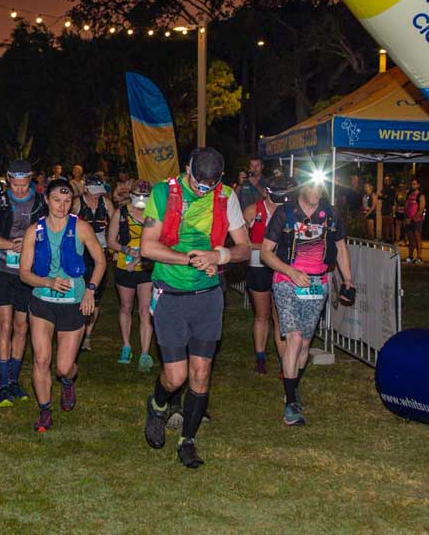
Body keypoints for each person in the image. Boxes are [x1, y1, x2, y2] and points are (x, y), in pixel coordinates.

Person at [141, 147, 251, 468]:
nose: (204, 189)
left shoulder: (225, 196)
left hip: (207, 296)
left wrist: (220, 256)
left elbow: (244, 247)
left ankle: (187, 440)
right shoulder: (164, 193)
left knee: (201, 375)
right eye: (199, 183)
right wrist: (190, 258)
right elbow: (147, 247)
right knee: (176, 377)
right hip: (171, 294)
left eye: (210, 185)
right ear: (187, 167)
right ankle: (158, 405)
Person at [260, 172, 355, 427]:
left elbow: (342, 247)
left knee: (304, 344)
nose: (316, 192)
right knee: (293, 338)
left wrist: (348, 281)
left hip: (317, 283)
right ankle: (290, 403)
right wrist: (290, 271)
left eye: (320, 187)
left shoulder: (331, 213)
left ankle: (293, 387)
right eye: (311, 186)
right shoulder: (285, 213)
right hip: (287, 281)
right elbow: (266, 253)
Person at [19, 179, 106, 432]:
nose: (62, 205)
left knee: (63, 367)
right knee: (41, 359)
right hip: (42, 302)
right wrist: (48, 281)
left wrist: (91, 290)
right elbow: (24, 273)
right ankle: (45, 410)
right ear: (46, 200)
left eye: (67, 201)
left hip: (73, 303)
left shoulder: (81, 228)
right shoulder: (34, 231)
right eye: (57, 200)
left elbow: (100, 262)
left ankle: (68, 382)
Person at [0, 159, 47, 407]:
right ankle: (2, 385)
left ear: (30, 179)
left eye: (24, 184)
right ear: (9, 179)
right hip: (3, 269)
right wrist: (11, 244)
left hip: (27, 272)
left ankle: (14, 380)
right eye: (15, 185)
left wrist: (32, 246)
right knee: (6, 325)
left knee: (22, 327)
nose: (20, 190)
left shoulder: (40, 201)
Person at [106, 180, 156, 372]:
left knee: (145, 309)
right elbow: (111, 241)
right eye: (138, 196)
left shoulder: (153, 213)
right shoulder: (121, 213)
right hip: (124, 266)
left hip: (146, 267)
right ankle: (126, 345)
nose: (141, 201)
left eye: (145, 197)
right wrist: (126, 249)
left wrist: (144, 251)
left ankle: (144, 352)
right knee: (126, 307)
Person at [244, 175, 287, 375]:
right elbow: (241, 243)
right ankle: (260, 357)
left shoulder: (288, 210)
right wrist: (264, 248)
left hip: (280, 267)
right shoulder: (253, 209)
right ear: (267, 192)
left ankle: (284, 361)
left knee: (280, 317)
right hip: (258, 266)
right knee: (262, 315)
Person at [74, 173, 113, 352]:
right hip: (80, 252)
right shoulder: (77, 203)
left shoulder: (106, 204)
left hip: (100, 251)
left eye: (100, 191)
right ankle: (76, 330)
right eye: (94, 191)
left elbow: (115, 224)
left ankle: (87, 335)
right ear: (86, 189)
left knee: (95, 295)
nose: (98, 195)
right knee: (79, 291)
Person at [404, 178, 426, 264]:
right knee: (410, 238)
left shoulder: (421, 195)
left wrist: (413, 218)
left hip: (417, 220)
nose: (413, 185)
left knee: (417, 237)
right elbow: (406, 207)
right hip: (408, 219)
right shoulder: (409, 194)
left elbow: (421, 209)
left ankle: (419, 257)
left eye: (414, 184)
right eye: (412, 184)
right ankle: (410, 256)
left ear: (418, 185)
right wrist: (406, 217)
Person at [379, 174, 396, 243]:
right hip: (384, 208)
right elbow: (380, 196)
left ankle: (392, 238)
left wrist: (383, 196)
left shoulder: (392, 188)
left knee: (390, 224)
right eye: (385, 180)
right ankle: (386, 238)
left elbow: (388, 198)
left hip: (389, 208)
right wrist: (383, 196)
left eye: (387, 180)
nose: (385, 181)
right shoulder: (384, 188)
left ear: (390, 181)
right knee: (385, 224)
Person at [394, 181, 408, 247]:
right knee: (398, 226)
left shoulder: (407, 193)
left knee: (405, 226)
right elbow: (396, 202)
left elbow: (407, 202)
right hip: (398, 211)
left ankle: (406, 240)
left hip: (405, 212)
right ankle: (397, 239)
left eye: (403, 186)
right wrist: (395, 211)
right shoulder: (397, 193)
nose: (401, 187)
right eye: (400, 186)